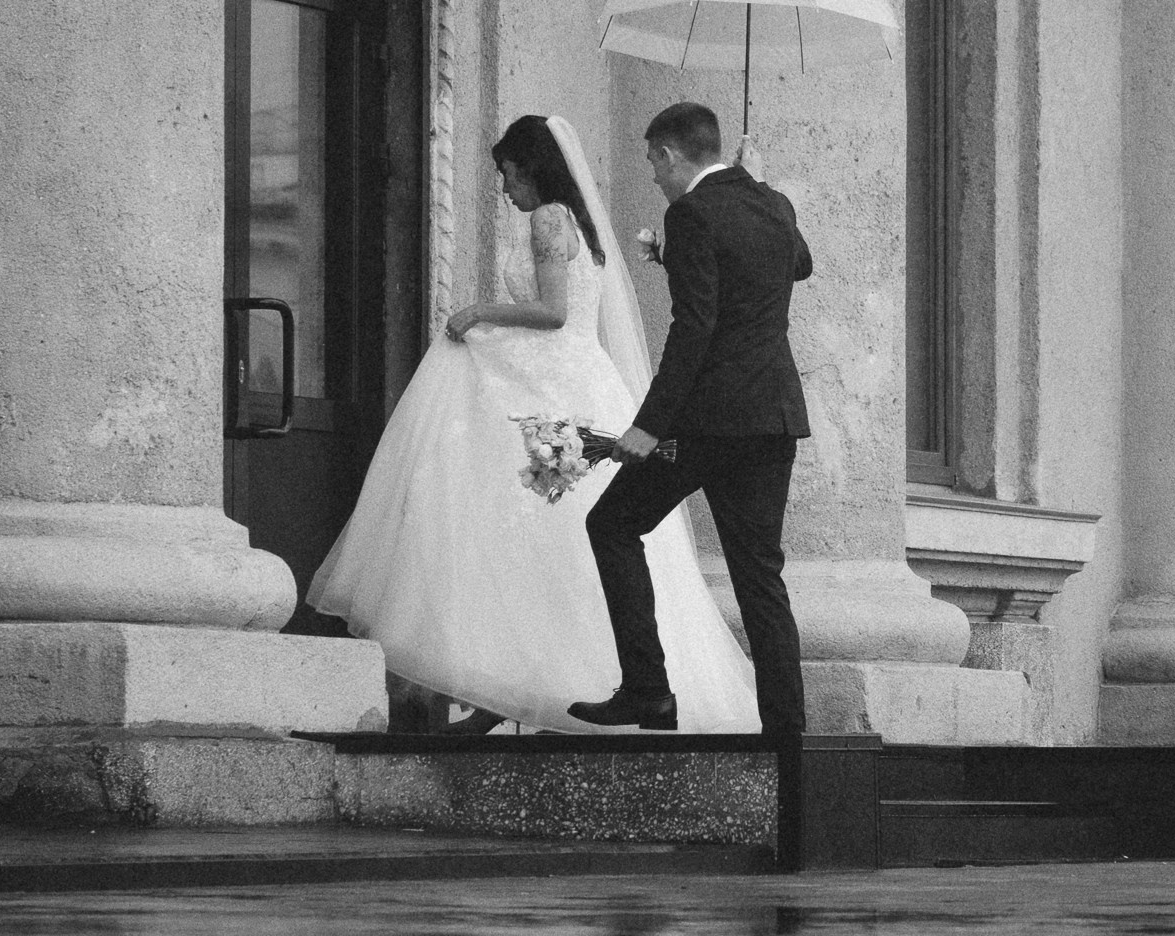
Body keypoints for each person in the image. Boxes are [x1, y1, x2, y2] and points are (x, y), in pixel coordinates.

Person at [307, 114, 759, 735]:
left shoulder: (549, 218)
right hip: (584, 380)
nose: (505, 188)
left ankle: (525, 694)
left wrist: (479, 312)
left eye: (508, 173)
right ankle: (528, 694)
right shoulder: (582, 223)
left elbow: (553, 312)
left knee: (534, 537)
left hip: (554, 389)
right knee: (547, 546)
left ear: (532, 168)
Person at [573, 100, 811, 739]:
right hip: (773, 420)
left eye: (654, 162)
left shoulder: (692, 213)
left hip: (706, 427)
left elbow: (695, 328)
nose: (654, 176)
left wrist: (648, 425)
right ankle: (788, 738)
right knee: (760, 578)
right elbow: (798, 263)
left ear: (670, 153)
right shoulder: (772, 204)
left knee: (612, 524)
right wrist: (758, 185)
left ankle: (648, 692)